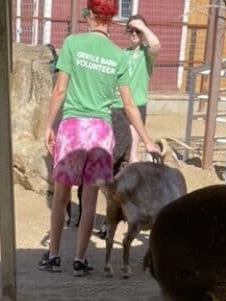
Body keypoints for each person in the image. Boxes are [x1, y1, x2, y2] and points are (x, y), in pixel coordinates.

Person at [39, 0, 160, 277]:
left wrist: (48, 125)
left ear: (92, 15)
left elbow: (59, 90)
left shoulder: (72, 43)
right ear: (110, 19)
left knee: (60, 196)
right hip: (100, 132)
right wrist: (147, 139)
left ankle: (54, 256)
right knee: (91, 200)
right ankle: (80, 260)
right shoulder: (118, 56)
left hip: (71, 128)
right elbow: (129, 105)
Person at [112, 14, 160, 164]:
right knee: (114, 147)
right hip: (117, 106)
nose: (134, 33)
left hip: (136, 105)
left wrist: (143, 27)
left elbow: (156, 45)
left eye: (137, 31)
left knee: (131, 154)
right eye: (131, 30)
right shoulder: (122, 53)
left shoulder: (146, 52)